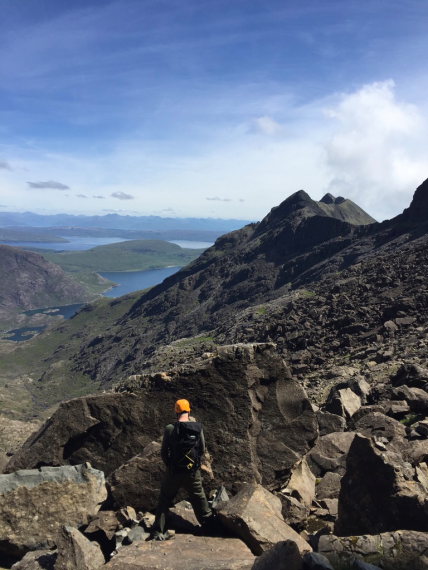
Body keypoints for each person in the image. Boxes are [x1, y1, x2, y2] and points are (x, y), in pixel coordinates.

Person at [150, 398, 214, 540]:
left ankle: (158, 531)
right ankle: (210, 527)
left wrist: (171, 466)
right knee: (199, 497)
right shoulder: (197, 428)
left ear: (176, 411)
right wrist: (193, 465)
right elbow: (202, 449)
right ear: (189, 410)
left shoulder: (170, 429)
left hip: (174, 472)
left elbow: (164, 452)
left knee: (165, 499)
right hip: (192, 472)